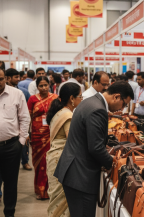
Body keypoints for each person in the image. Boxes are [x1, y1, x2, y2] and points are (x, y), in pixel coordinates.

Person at [54, 81, 134, 217]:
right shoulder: (98, 109)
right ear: (116, 97)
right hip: (80, 175)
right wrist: (114, 164)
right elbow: (96, 148)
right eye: (124, 104)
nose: (123, 108)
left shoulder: (91, 101)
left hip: (76, 171)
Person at [46, 83, 82, 217]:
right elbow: (72, 141)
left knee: (56, 198)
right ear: (72, 98)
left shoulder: (59, 111)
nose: (82, 99)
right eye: (80, 96)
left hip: (55, 157)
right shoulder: (68, 116)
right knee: (61, 200)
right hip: (62, 160)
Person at [0, 68, 30, 217]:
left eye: (0, 79)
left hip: (11, 146)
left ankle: (9, 213)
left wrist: (21, 141)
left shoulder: (16, 94)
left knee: (11, 184)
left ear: (5, 78)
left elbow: (24, 117)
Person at [27, 76, 58, 200]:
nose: (44, 88)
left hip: (51, 133)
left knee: (49, 162)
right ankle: (40, 191)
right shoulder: (32, 99)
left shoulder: (55, 98)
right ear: (37, 87)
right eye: (41, 86)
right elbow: (28, 117)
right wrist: (26, 134)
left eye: (46, 85)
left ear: (49, 85)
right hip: (36, 135)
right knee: (39, 163)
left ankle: (50, 191)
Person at [5, 68, 32, 171]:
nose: (18, 79)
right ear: (8, 78)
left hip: (21, 125)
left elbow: (28, 110)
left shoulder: (22, 92)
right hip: (8, 129)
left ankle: (25, 162)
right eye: (16, 77)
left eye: (18, 76)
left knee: (24, 143)